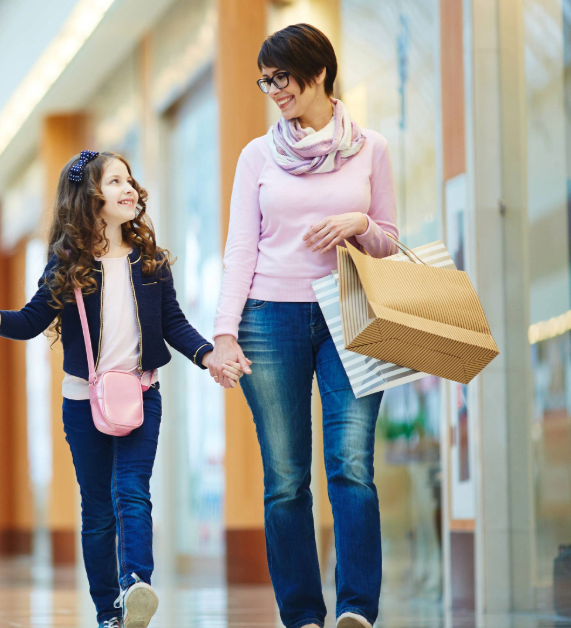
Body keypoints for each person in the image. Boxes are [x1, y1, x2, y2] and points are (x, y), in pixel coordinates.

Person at [0, 151, 244, 628]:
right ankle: (108, 611)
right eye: (115, 181)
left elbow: (173, 322)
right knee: (96, 510)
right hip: (83, 404)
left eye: (130, 179)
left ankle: (136, 585)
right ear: (90, 197)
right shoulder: (66, 266)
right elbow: (30, 322)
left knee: (133, 491)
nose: (129, 188)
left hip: (142, 394)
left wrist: (208, 355)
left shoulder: (151, 262)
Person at [207, 23, 399, 628]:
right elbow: (241, 247)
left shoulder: (372, 148)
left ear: (317, 73)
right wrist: (225, 331)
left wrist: (356, 222)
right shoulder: (258, 156)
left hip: (353, 311)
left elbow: (390, 242)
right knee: (286, 478)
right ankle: (301, 615)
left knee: (351, 465)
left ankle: (355, 610)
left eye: (280, 78)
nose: (272, 90)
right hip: (270, 318)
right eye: (264, 81)